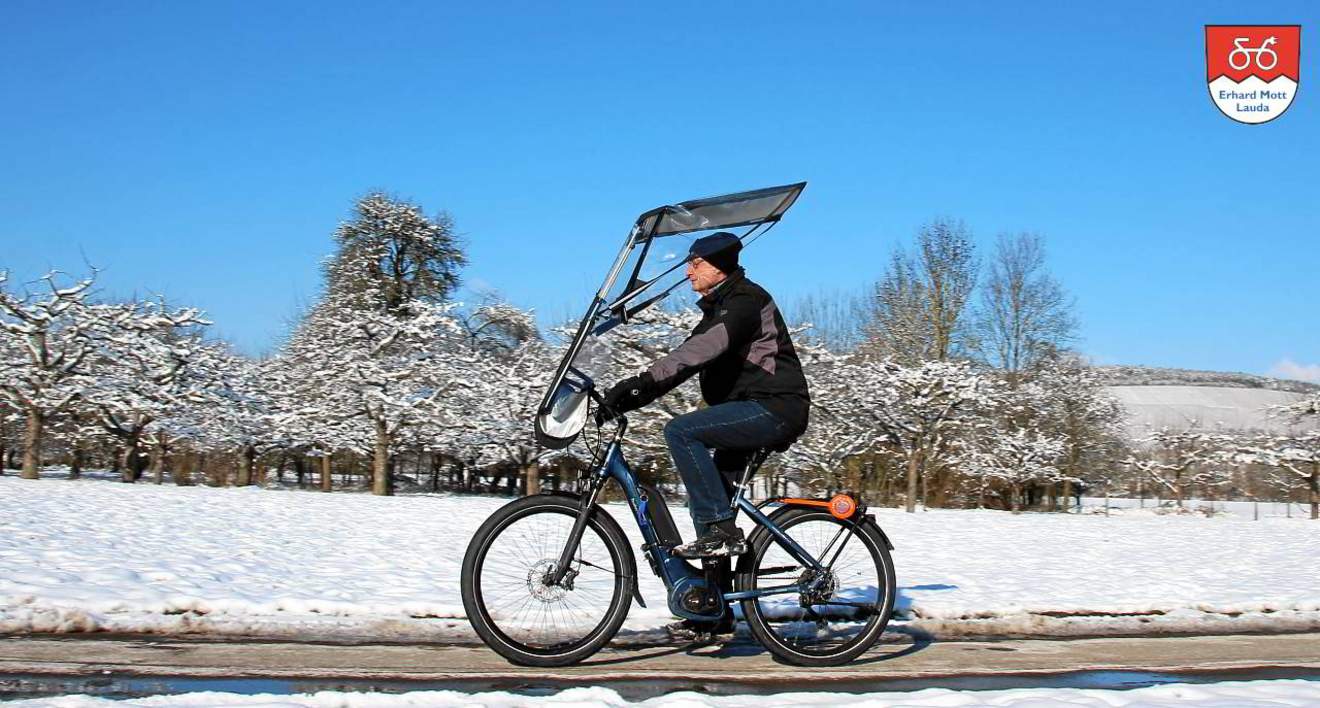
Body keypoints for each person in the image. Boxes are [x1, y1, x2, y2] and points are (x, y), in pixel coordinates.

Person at [597, 231, 811, 640]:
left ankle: (721, 534)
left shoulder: (745, 303)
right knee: (712, 506)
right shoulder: (721, 307)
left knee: (681, 432)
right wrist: (634, 390)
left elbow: (695, 355)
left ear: (719, 266)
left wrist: (637, 387)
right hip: (754, 408)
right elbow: (689, 351)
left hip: (774, 407)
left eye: (695, 263)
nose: (689, 270)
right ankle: (715, 609)